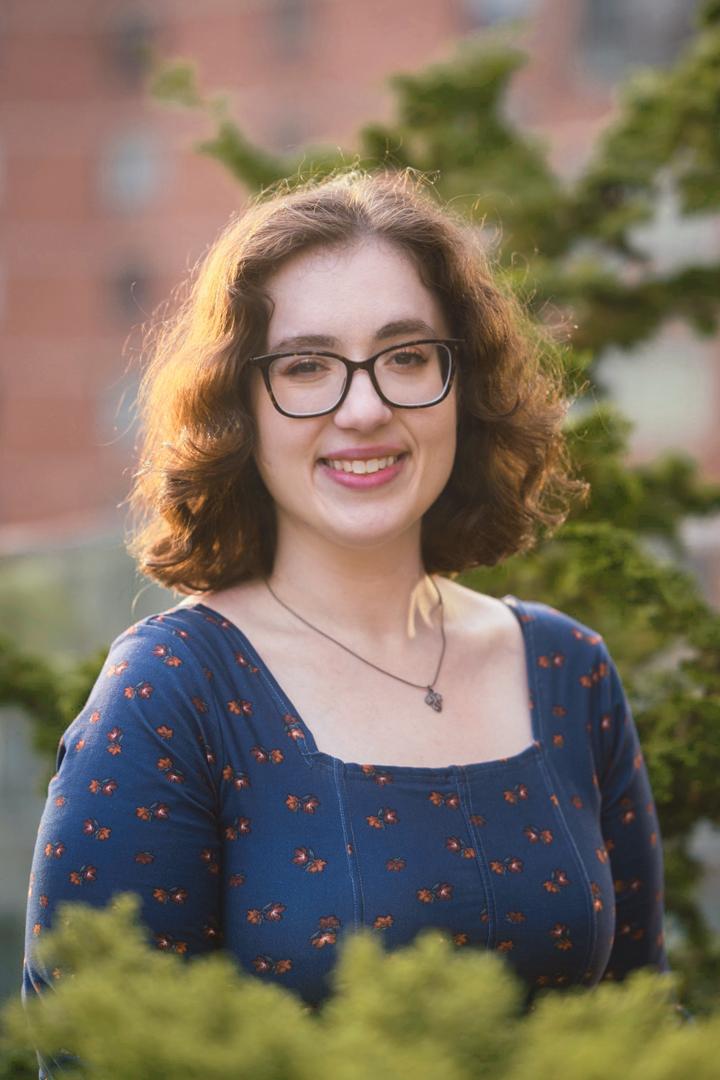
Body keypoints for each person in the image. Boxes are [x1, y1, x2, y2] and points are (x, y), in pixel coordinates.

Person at [24, 170, 667, 1068]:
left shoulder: (569, 673)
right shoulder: (171, 697)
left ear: (461, 381)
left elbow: (642, 1032)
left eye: (406, 356)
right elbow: (97, 1056)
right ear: (239, 408)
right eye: (306, 366)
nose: (364, 409)